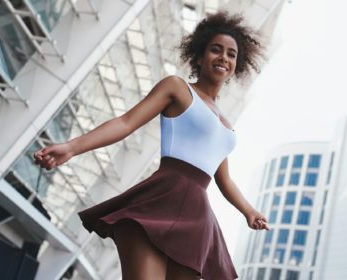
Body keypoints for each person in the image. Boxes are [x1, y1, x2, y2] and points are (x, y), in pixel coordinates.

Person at [34, 11, 269, 280]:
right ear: (200, 55)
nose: (223, 58)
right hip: (158, 201)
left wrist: (248, 211)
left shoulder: (226, 126)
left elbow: (223, 179)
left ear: (237, 66)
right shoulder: (178, 89)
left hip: (197, 219)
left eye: (231, 54)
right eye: (216, 50)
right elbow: (126, 122)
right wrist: (72, 147)